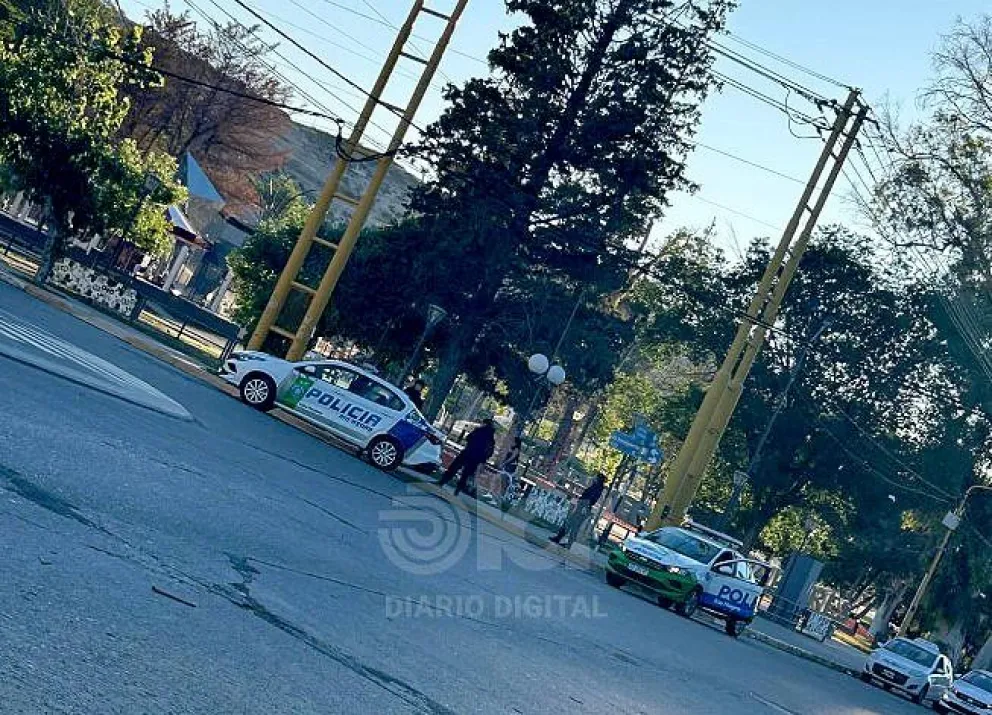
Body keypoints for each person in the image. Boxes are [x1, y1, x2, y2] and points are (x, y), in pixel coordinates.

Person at [437, 418, 496, 496]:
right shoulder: (491, 437)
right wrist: (482, 459)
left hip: (468, 452)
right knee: (466, 474)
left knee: (454, 467)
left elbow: (468, 438)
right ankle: (458, 490)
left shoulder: (478, 431)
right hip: (476, 458)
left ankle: (442, 481)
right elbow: (490, 451)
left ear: (485, 424)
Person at [550, 473, 607, 548]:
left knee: (572, 525)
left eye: (595, 477)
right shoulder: (596, 487)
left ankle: (565, 541)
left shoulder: (596, 488)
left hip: (584, 507)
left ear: (598, 479)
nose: (593, 478)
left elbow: (590, 498)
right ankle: (562, 540)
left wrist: (584, 507)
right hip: (583, 506)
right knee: (571, 524)